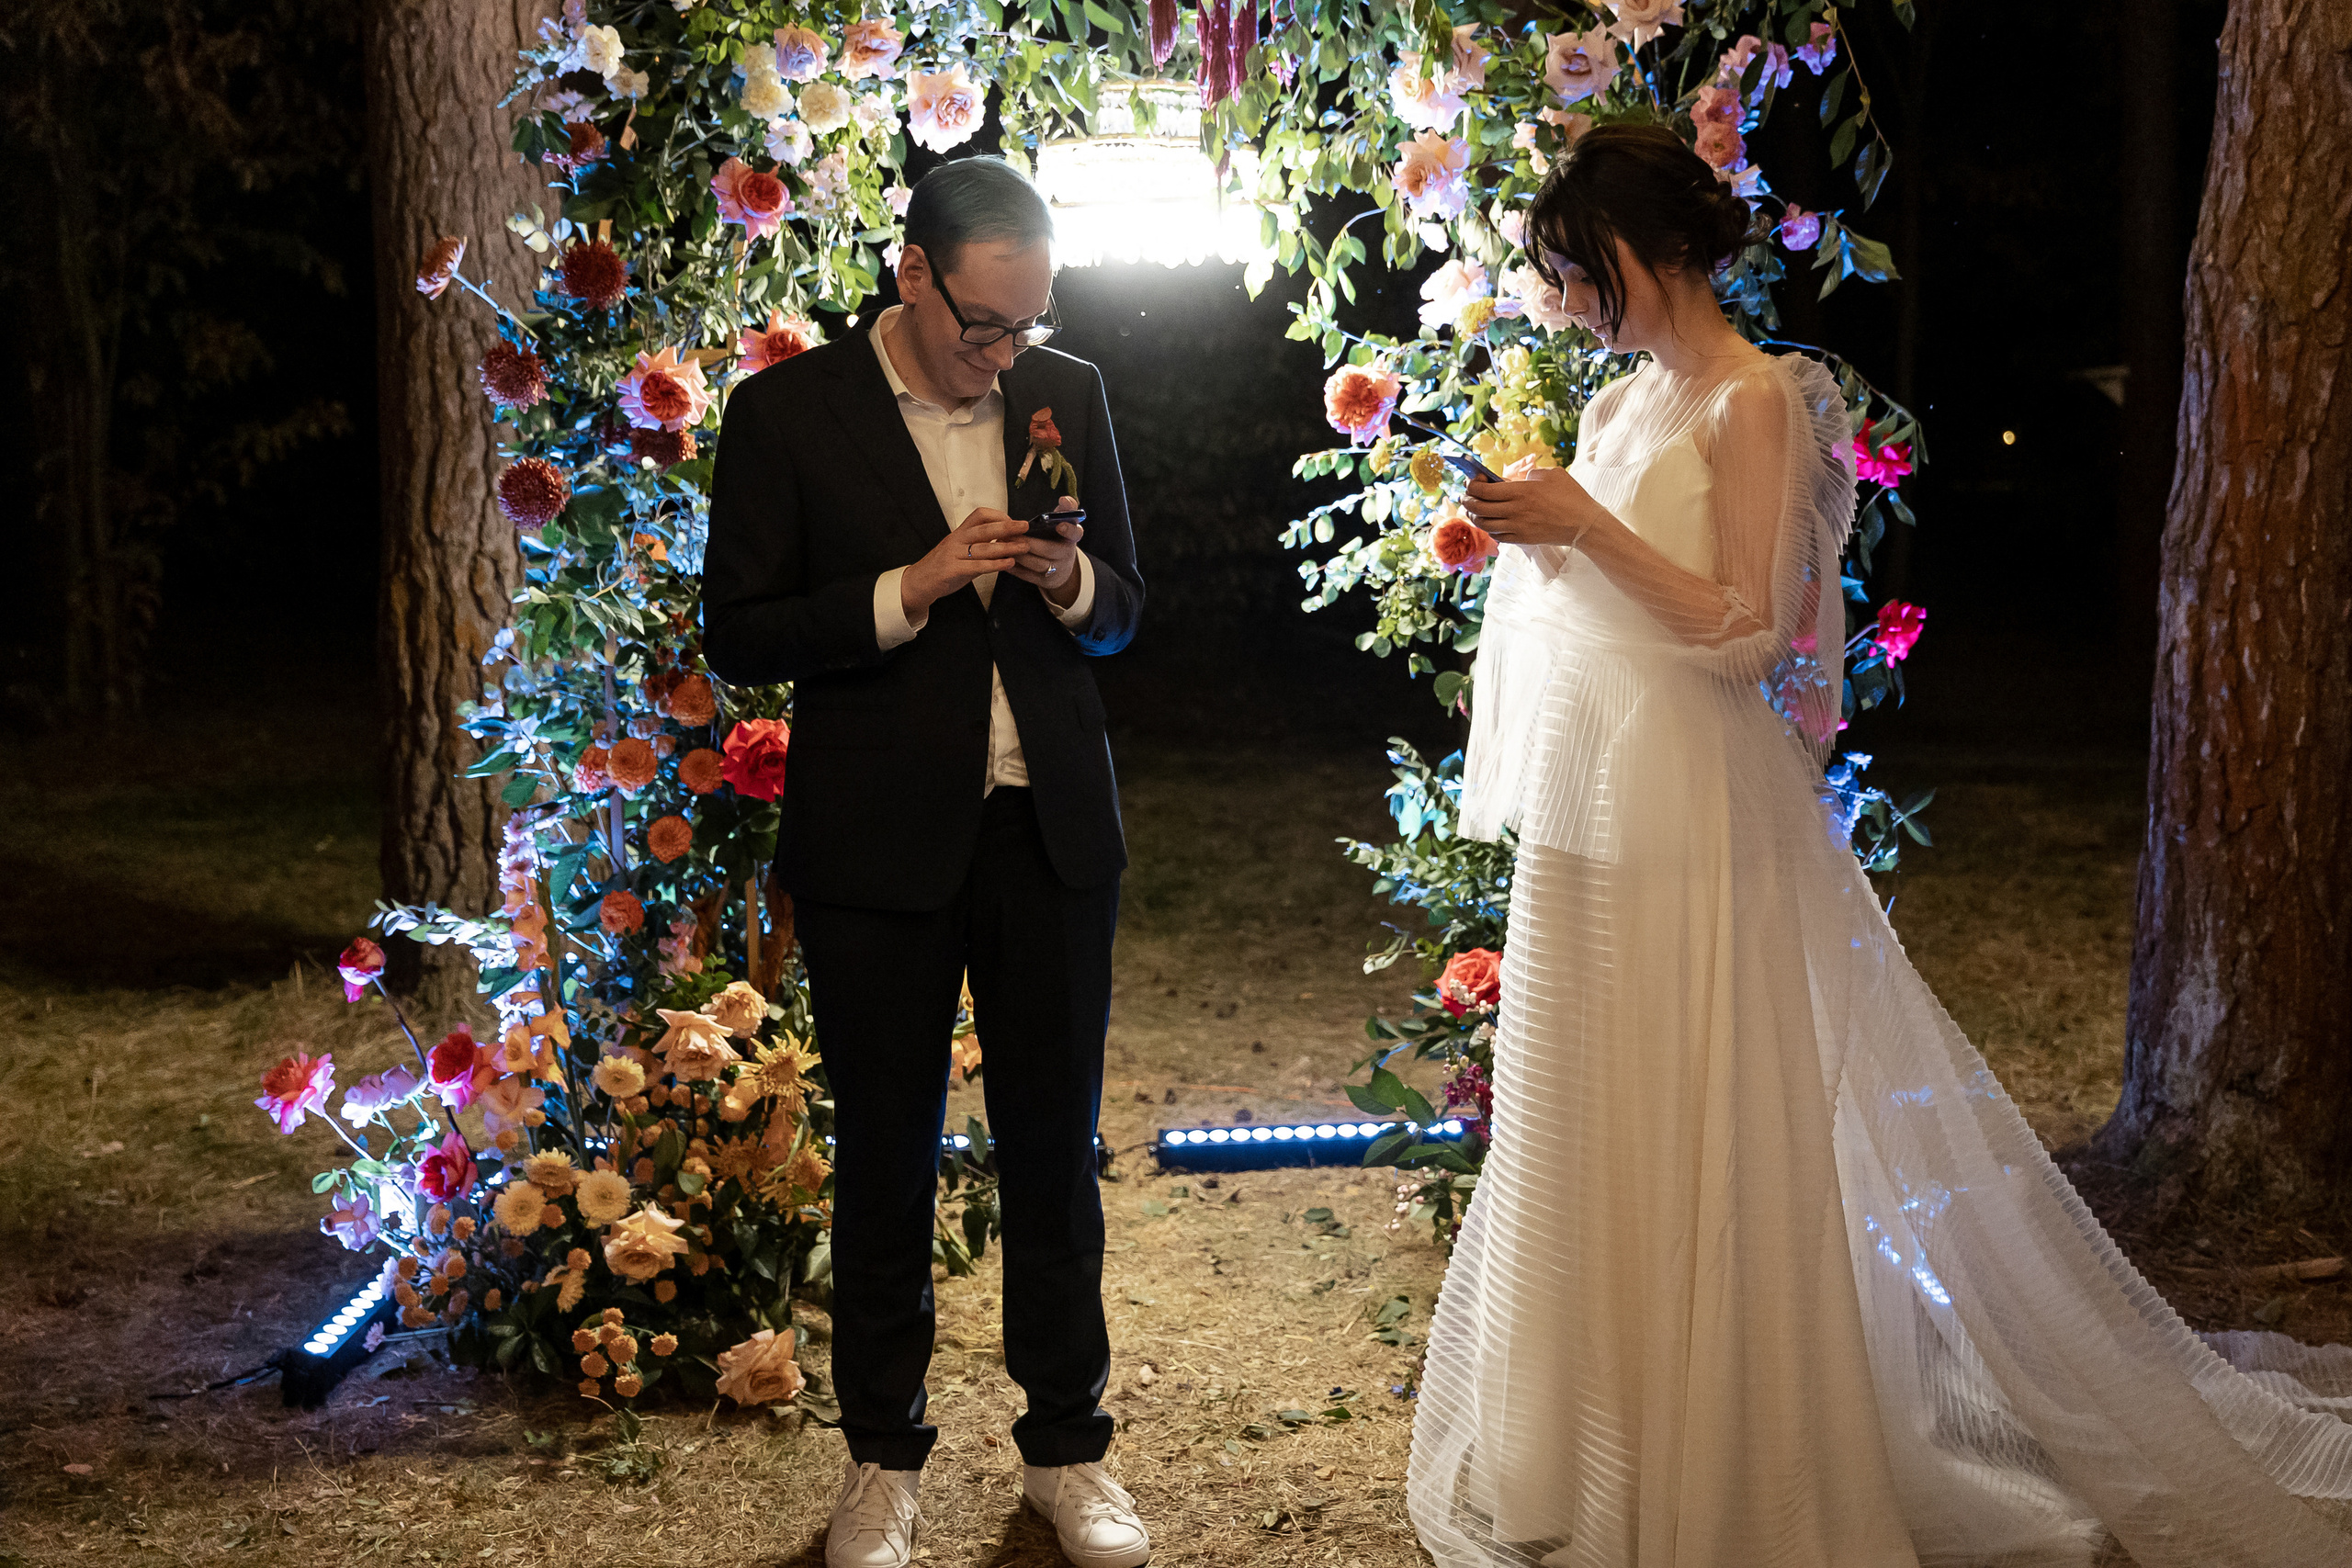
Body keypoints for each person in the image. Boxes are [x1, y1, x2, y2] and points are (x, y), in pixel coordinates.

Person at [1413, 124, 2352, 1568]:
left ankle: (1714, 1471)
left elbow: (1750, 632)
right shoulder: (1616, 404)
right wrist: (1534, 533)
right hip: (1591, 803)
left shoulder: (1756, 400)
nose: (1575, 301)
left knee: (1696, 1105)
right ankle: (1584, 1464)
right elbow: (1606, 597)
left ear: (1652, 251)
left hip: (1691, 800)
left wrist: (1582, 528)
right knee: (1587, 1104)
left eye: (1584, 270)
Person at [701, 155, 1150, 1568]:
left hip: (1048, 829)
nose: (1009, 353)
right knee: (886, 1159)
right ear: (913, 275)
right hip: (877, 841)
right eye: (985, 325)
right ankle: (881, 1462)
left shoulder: (1064, 395)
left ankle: (1068, 1452)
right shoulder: (789, 413)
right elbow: (741, 632)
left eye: (1031, 321)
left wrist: (1068, 580)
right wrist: (916, 587)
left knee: (1054, 1153)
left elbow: (1124, 610)